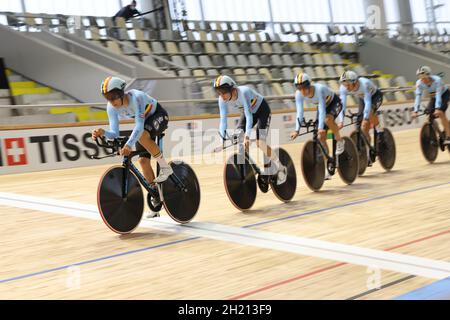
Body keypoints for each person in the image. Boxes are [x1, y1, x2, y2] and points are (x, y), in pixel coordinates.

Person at [92, 76, 171, 218]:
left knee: (141, 135)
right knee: (143, 161)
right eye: (107, 98)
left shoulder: (137, 98)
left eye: (113, 97)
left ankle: (165, 167)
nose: (111, 101)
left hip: (158, 115)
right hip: (145, 127)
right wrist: (103, 132)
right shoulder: (111, 107)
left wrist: (128, 144)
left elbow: (139, 126)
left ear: (121, 93)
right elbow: (114, 133)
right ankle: (155, 197)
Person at [213, 75, 287, 185]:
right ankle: (253, 170)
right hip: (248, 113)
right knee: (239, 139)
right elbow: (223, 120)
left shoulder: (243, 93)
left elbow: (249, 116)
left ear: (231, 89)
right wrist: (221, 141)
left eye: (223, 92)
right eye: (219, 92)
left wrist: (247, 136)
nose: (221, 96)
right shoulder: (221, 100)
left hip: (262, 110)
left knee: (260, 143)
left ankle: (281, 168)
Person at [290, 73, 344, 179]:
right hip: (321, 107)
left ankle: (340, 140)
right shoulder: (298, 94)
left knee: (328, 119)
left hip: (334, 103)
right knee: (321, 138)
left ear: (309, 85)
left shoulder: (319, 90)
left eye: (304, 87)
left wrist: (320, 128)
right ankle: (328, 164)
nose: (302, 91)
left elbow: (323, 110)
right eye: (299, 88)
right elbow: (300, 112)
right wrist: (297, 130)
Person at [338, 70, 384, 166]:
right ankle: (368, 152)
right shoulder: (343, 88)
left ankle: (379, 129)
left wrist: (366, 118)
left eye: (348, 84)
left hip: (375, 96)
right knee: (362, 128)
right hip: (362, 98)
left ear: (355, 82)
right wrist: (341, 120)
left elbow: (368, 103)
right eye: (344, 84)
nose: (346, 87)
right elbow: (342, 105)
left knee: (369, 114)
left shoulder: (364, 84)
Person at [412, 66, 450, 145]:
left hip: (444, 94)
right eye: (421, 78)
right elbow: (418, 97)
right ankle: (438, 133)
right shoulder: (419, 83)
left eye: (424, 78)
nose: (423, 80)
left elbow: (439, 95)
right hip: (433, 96)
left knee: (439, 112)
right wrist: (415, 110)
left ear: (429, 76)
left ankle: (448, 136)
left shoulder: (437, 80)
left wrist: (437, 108)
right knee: (429, 114)